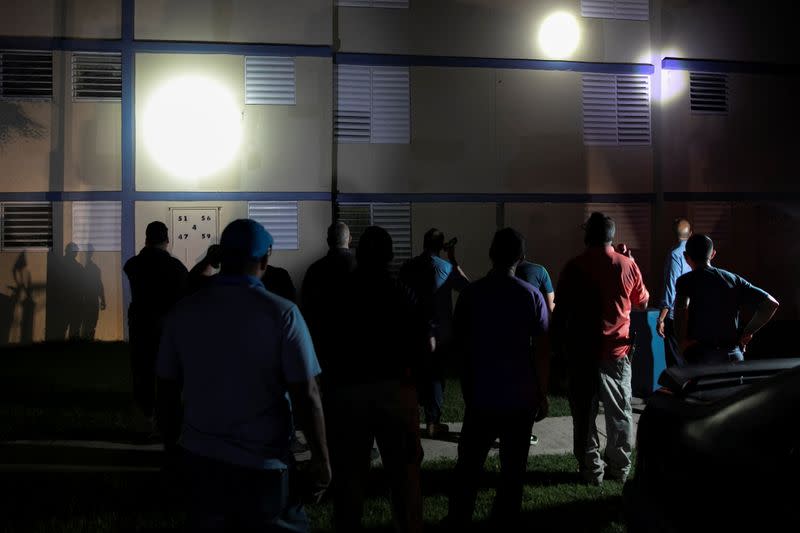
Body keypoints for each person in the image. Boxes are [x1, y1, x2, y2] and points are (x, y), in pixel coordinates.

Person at [156, 219, 330, 531]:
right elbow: (307, 393)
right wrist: (321, 458)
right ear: (265, 259)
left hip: (201, 459)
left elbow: (166, 390)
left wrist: (171, 449)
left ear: (221, 256)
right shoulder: (283, 314)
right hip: (264, 465)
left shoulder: (183, 313)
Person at [447, 228, 550, 530]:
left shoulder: (471, 295)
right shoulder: (531, 295)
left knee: (468, 468)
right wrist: (542, 393)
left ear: (491, 254)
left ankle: (458, 519)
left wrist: (467, 385)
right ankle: (504, 520)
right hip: (519, 398)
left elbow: (460, 348)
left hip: (481, 395)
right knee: (513, 470)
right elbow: (543, 350)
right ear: (521, 257)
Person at [326, 226, 426, 533]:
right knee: (404, 475)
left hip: (349, 390)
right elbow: (419, 342)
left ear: (358, 253)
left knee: (349, 477)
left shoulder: (341, 291)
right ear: (390, 255)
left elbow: (328, 340)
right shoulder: (401, 292)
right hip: (393, 390)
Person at [553, 212, 649, 485]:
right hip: (617, 353)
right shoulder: (627, 264)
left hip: (581, 353)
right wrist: (629, 262)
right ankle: (619, 469)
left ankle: (591, 470)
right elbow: (642, 301)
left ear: (588, 235)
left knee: (584, 414)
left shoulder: (574, 267)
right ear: (611, 236)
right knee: (619, 413)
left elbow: (561, 312)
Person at [399, 228, 469, 438]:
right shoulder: (446, 268)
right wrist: (454, 259)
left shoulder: (407, 266)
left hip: (412, 331)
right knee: (436, 377)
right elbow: (467, 287)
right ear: (441, 246)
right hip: (439, 334)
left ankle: (411, 420)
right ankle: (432, 422)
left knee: (414, 376)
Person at [674, 234, 779, 365]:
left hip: (702, 356)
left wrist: (681, 343)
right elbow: (771, 304)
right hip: (733, 355)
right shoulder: (733, 279)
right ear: (712, 254)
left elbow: (680, 311)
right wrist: (747, 332)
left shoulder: (685, 281)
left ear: (685, 256)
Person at [123, 222, 188, 420]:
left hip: (140, 322)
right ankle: (167, 411)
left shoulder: (133, 264)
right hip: (166, 324)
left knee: (142, 368)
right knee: (168, 369)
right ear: (167, 240)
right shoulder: (176, 267)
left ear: (146, 239)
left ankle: (144, 412)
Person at [301, 222, 357, 377]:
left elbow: (306, 309)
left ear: (328, 241)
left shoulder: (315, 270)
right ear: (350, 239)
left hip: (323, 345)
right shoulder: (359, 268)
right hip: (355, 345)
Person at [656, 217, 692, 367]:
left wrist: (661, 318)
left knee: (674, 363)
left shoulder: (675, 254)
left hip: (674, 316)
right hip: (690, 314)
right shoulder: (693, 253)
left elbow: (671, 288)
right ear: (690, 233)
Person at [81, 245, 106, 340]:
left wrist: (103, 300)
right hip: (90, 299)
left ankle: (87, 341)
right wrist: (103, 300)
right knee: (90, 323)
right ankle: (88, 341)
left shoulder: (83, 268)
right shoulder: (94, 269)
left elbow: (99, 285)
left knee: (88, 323)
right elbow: (99, 285)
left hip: (87, 299)